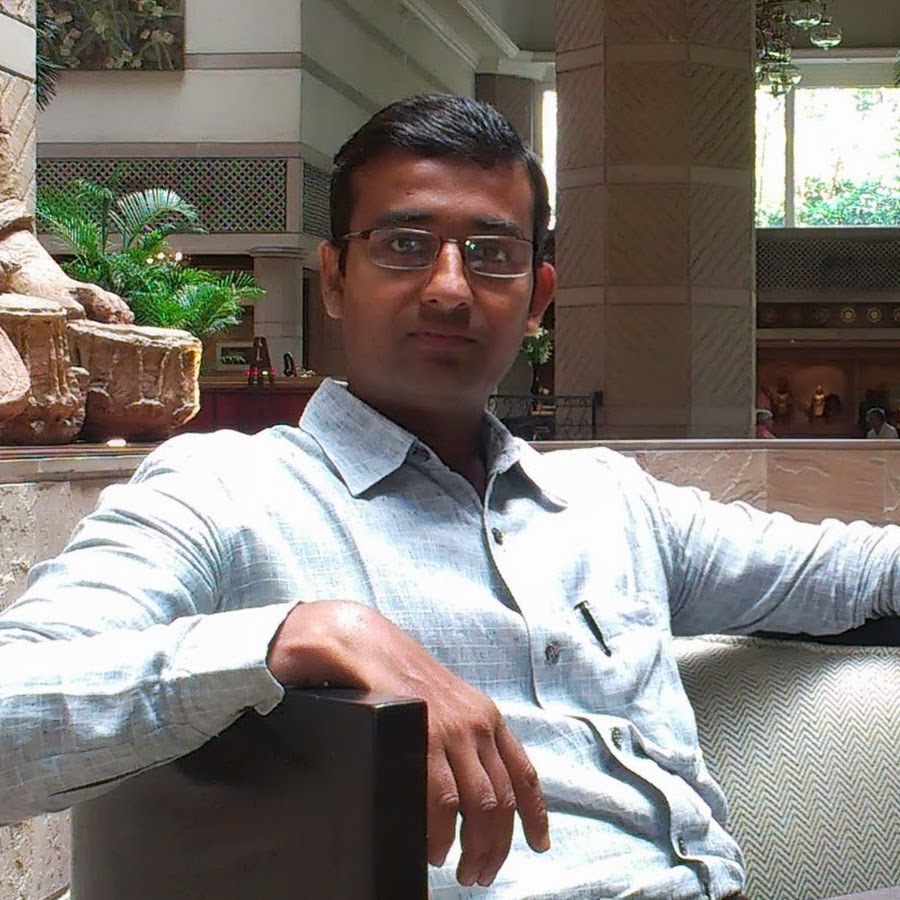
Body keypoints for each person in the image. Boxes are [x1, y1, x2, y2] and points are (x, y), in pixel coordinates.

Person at [1, 94, 899, 900]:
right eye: (404, 244)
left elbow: (851, 571)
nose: (448, 287)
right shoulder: (223, 493)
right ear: (335, 278)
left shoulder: (613, 503)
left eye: (492, 254)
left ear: (538, 297)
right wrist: (292, 635)